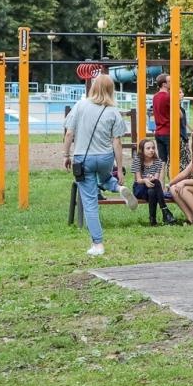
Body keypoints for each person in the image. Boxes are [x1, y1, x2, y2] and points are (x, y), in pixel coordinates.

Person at [63, 74, 133, 256]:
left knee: (90, 202)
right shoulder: (113, 111)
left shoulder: (80, 105)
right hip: (104, 157)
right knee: (105, 178)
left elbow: (69, 133)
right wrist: (119, 168)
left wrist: (66, 154)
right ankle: (118, 188)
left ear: (93, 87)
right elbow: (117, 142)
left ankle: (97, 244)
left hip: (83, 158)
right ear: (111, 90)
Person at [131, 136, 177, 225]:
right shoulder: (137, 160)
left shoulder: (157, 161)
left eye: (153, 148)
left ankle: (153, 220)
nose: (151, 150)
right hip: (140, 188)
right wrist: (145, 180)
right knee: (155, 185)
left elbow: (155, 178)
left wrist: (151, 179)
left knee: (152, 191)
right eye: (148, 148)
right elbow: (138, 179)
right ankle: (165, 211)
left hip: (152, 187)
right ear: (142, 150)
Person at [151, 72, 172, 164]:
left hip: (158, 132)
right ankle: (174, 178)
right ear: (164, 84)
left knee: (162, 161)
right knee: (173, 160)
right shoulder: (168, 97)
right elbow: (179, 115)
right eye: (170, 81)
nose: (172, 83)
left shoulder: (155, 97)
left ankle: (161, 179)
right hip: (168, 131)